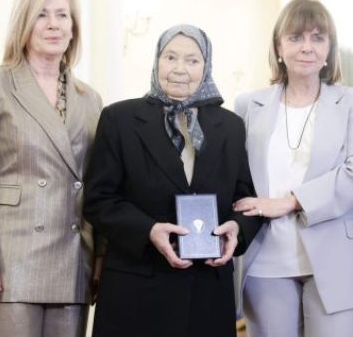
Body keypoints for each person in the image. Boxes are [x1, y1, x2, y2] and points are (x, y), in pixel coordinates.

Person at [84, 24, 261, 337]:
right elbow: (99, 201)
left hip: (207, 292)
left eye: (192, 60)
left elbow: (244, 199)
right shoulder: (119, 119)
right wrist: (149, 230)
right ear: (157, 61)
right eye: (171, 57)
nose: (180, 69)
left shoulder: (231, 126)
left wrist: (238, 229)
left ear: (206, 66)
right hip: (136, 290)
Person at [0, 0, 102, 336]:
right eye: (42, 15)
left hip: (72, 264)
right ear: (24, 24)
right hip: (7, 263)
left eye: (62, 16)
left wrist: (99, 258)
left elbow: (99, 184)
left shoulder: (90, 99)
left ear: (73, 29)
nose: (53, 24)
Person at [232, 0, 353, 336]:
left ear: (330, 48)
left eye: (318, 38)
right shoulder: (248, 105)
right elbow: (235, 177)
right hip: (266, 259)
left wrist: (289, 202)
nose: (307, 47)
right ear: (278, 46)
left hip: (338, 256)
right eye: (296, 37)